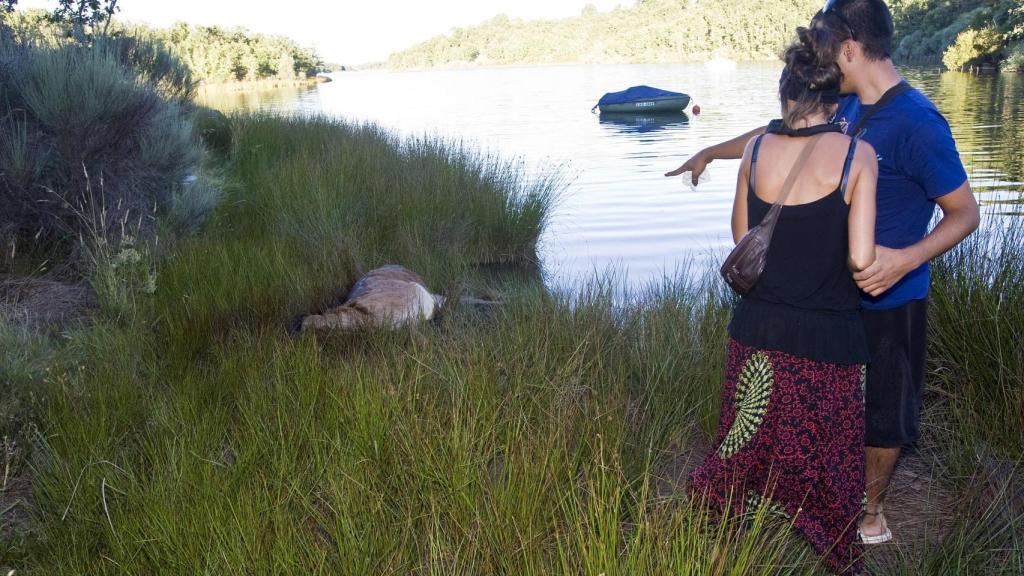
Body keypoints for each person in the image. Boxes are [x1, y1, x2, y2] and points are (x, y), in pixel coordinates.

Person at [670, 0, 980, 546]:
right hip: (830, 300)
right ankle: (814, 498)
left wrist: (904, 260)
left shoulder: (918, 123)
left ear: (850, 49)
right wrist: (711, 153)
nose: (817, 53)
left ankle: (870, 511)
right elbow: (784, 134)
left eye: (823, 42)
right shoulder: (842, 107)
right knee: (830, 412)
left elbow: (966, 212)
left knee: (884, 413)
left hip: (891, 295)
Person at [685, 25, 877, 575]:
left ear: (784, 95)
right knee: (828, 452)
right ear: (833, 98)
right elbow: (861, 260)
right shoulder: (857, 156)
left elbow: (744, 241)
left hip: (758, 333)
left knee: (745, 441)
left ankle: (723, 535)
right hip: (830, 338)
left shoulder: (753, 148)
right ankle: (834, 548)